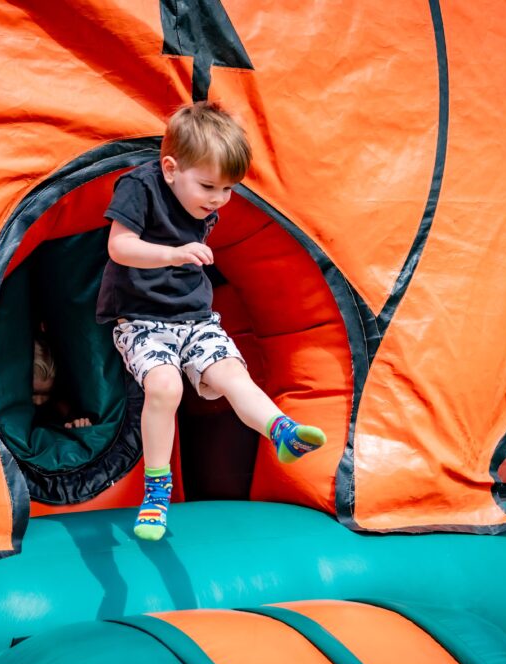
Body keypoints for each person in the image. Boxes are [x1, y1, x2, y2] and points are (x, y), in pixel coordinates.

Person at [96, 101, 326, 541]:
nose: (218, 199)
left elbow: (205, 202)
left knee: (233, 376)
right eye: (208, 186)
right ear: (170, 168)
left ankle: (281, 430)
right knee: (166, 387)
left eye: (227, 189)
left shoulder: (202, 201)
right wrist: (173, 254)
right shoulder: (139, 188)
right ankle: (156, 491)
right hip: (142, 320)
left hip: (195, 318)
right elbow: (119, 247)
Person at [32, 331, 92, 429]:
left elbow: (72, 418)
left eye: (46, 394)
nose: (39, 401)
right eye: (33, 393)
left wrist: (79, 424)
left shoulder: (58, 404)